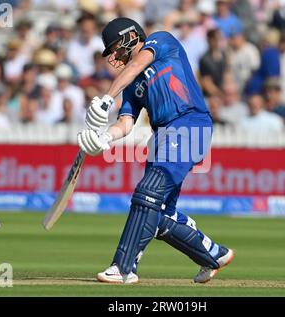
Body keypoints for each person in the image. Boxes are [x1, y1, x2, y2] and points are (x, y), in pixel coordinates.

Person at [77, 17, 234, 284]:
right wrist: (104, 139)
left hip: (189, 122)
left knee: (148, 192)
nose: (114, 56)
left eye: (115, 48)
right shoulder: (131, 84)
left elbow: (138, 62)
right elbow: (125, 123)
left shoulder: (160, 41)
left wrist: (106, 97)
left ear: (129, 37)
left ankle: (123, 267)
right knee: (158, 214)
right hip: (162, 134)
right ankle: (213, 254)